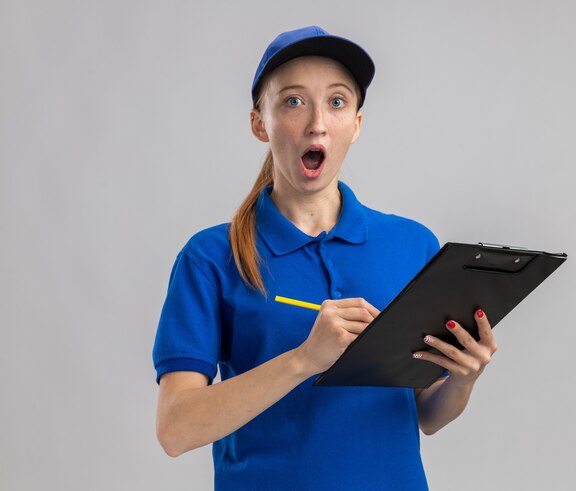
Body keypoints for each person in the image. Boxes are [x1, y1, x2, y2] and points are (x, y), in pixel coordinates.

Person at [152, 25, 497, 491]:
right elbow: (175, 429)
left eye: (337, 102)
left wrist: (463, 379)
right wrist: (305, 359)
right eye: (293, 101)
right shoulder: (210, 258)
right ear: (260, 123)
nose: (317, 122)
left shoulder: (412, 245)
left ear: (355, 123)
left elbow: (426, 414)